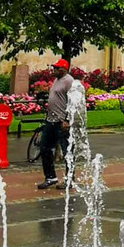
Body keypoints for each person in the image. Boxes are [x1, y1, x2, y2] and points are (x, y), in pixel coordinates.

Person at [36, 58, 74, 190]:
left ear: (64, 69)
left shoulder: (69, 81)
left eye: (57, 68)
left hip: (62, 122)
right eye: (54, 68)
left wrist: (67, 120)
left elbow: (73, 102)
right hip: (51, 121)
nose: (54, 70)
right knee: (45, 148)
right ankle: (50, 177)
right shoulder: (56, 80)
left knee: (67, 151)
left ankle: (70, 179)